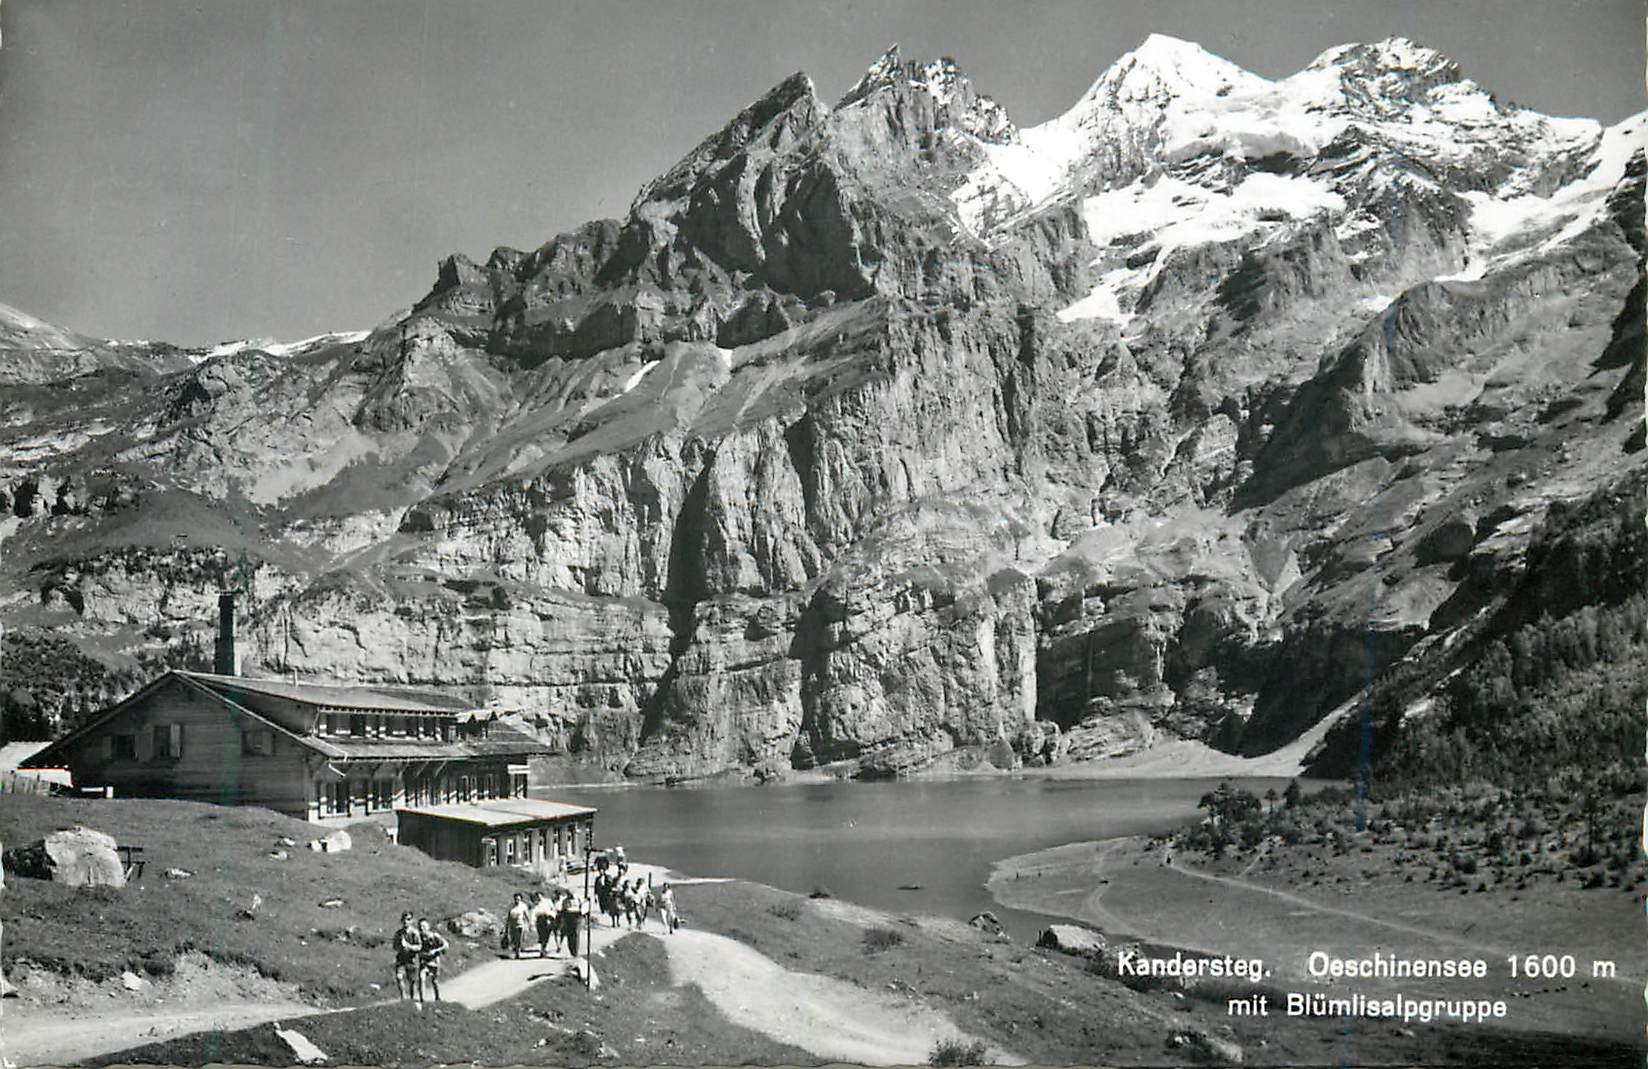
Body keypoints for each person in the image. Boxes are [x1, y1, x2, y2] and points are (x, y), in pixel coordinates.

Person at [392, 912, 423, 1000]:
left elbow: (419, 946)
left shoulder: (414, 933)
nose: (406, 922)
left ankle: (412, 999)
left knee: (412, 981)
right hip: (401, 959)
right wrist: (400, 948)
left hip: (412, 960)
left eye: (408, 919)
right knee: (399, 977)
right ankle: (403, 997)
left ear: (412, 921)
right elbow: (394, 946)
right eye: (404, 920)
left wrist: (409, 947)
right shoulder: (398, 933)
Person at [416, 918, 449, 1002]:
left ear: (428, 927)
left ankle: (437, 997)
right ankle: (422, 999)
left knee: (434, 980)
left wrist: (436, 950)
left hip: (434, 961)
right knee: (421, 978)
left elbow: (445, 945)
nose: (422, 928)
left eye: (424, 926)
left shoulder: (434, 936)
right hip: (424, 961)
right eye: (420, 926)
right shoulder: (418, 938)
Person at [530, 890, 557, 958]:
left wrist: (552, 916)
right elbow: (533, 913)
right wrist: (532, 922)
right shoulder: (536, 904)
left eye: (540, 896)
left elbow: (553, 909)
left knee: (546, 934)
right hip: (539, 920)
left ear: (542, 895)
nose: (539, 897)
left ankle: (544, 949)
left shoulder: (548, 901)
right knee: (541, 935)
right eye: (537, 896)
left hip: (547, 918)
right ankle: (542, 950)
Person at [505, 892, 531, 959]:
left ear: (521, 899)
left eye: (518, 899)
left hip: (520, 924)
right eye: (516, 899)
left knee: (519, 939)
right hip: (512, 925)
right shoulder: (511, 906)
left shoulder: (523, 906)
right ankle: (516, 950)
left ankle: (518, 952)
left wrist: (529, 923)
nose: (517, 900)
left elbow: (527, 915)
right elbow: (508, 916)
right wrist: (506, 926)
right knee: (513, 939)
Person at [560, 890, 584, 957]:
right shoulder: (565, 901)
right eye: (568, 894)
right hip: (569, 919)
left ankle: (576, 951)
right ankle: (572, 951)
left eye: (571, 894)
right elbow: (563, 910)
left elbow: (583, 907)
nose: (570, 895)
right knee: (570, 935)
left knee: (576, 933)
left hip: (577, 918)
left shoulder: (579, 899)